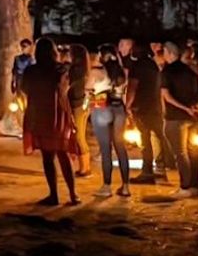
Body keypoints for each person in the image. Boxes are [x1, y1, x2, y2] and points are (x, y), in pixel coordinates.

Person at [21, 38, 79, 206]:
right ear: (54, 52)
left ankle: (53, 195)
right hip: (59, 115)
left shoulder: (31, 71)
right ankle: (73, 194)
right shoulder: (61, 70)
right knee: (63, 154)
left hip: (40, 114)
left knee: (48, 156)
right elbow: (67, 88)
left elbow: (24, 89)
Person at [161, 42, 198, 198]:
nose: (163, 54)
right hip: (193, 116)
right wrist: (194, 107)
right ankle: (196, 185)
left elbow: (166, 95)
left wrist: (183, 108)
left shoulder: (167, 71)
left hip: (175, 117)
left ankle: (185, 186)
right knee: (193, 151)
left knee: (180, 153)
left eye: (164, 51)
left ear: (171, 53)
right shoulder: (191, 71)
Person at [87, 44, 130, 198]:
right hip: (119, 109)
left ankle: (107, 186)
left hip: (102, 109)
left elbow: (88, 87)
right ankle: (125, 186)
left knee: (106, 149)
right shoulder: (122, 73)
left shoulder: (97, 72)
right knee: (121, 147)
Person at [127, 42, 170, 184]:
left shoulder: (137, 66)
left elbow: (132, 87)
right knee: (157, 137)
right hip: (155, 106)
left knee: (145, 140)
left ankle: (147, 172)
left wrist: (127, 105)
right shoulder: (153, 65)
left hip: (142, 107)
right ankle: (160, 169)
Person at [68, 43, 92, 177]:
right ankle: (85, 167)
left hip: (76, 104)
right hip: (82, 103)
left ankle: (84, 168)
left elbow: (68, 85)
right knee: (81, 135)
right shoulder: (83, 69)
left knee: (79, 136)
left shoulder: (76, 69)